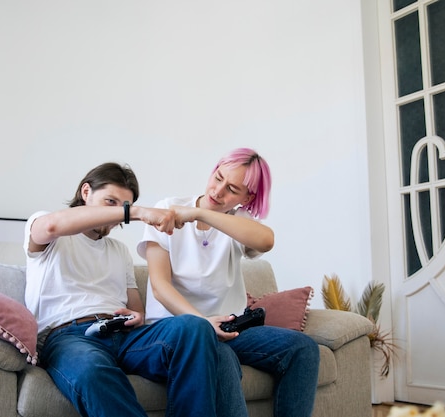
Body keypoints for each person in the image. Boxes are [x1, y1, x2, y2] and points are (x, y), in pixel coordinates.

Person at [23, 162, 238, 417]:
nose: (117, 214)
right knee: (92, 370)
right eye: (110, 202)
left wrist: (136, 316)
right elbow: (50, 227)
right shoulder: (47, 230)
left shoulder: (119, 251)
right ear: (85, 192)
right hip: (70, 338)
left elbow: (137, 309)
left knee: (195, 326)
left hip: (123, 335)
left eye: (123, 205)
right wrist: (134, 212)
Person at [137, 148, 320, 417]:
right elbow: (160, 288)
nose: (218, 191)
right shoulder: (167, 209)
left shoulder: (237, 222)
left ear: (248, 198)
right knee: (219, 357)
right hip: (181, 328)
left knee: (303, 349)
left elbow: (266, 241)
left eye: (232, 188)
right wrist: (203, 323)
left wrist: (201, 214)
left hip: (230, 328)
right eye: (218, 177)